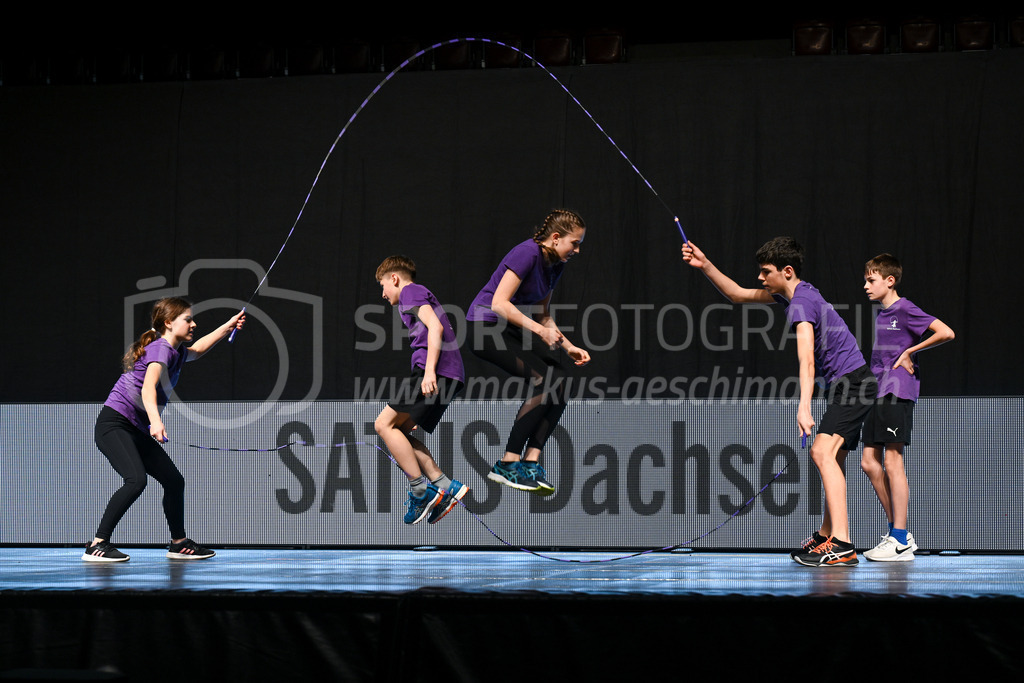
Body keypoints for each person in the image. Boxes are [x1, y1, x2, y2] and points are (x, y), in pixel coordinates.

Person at [682, 237, 876, 567]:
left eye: (765, 271)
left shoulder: (800, 304)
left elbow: (806, 361)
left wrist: (804, 407)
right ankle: (828, 534)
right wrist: (706, 265)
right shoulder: (796, 293)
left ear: (786, 271)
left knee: (820, 452)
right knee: (834, 458)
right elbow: (737, 294)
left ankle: (842, 544)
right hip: (848, 384)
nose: (760, 278)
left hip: (853, 384)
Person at [84, 298, 245, 562]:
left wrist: (228, 326)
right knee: (136, 480)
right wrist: (156, 421)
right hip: (115, 424)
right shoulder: (160, 350)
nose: (194, 324)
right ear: (168, 323)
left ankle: (178, 543)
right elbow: (148, 388)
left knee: (173, 481)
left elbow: (199, 350)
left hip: (135, 428)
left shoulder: (177, 350)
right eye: (188, 320)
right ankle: (97, 544)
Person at [466, 209, 591, 496]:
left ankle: (531, 460)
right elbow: (499, 303)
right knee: (544, 382)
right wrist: (539, 331)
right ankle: (507, 463)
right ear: (556, 238)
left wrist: (569, 347)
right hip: (484, 327)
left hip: (506, 328)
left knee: (562, 381)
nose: (578, 249)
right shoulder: (527, 253)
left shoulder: (556, 264)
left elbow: (542, 314)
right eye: (575, 243)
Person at [860, 253, 954, 561]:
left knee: (893, 461)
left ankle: (899, 538)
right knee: (869, 463)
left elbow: (946, 332)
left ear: (890, 280)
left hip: (897, 390)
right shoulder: (881, 314)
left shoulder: (905, 308)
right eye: (866, 280)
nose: (866, 286)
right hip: (877, 391)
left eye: (871, 280)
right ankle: (898, 533)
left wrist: (910, 351)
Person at [374, 255, 469, 525]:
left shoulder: (409, 291)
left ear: (394, 278)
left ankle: (420, 491)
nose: (383, 293)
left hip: (437, 371)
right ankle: (446, 486)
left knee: (383, 425)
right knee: (398, 431)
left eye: (383, 285)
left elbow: (436, 326)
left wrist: (429, 372)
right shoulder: (412, 295)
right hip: (450, 374)